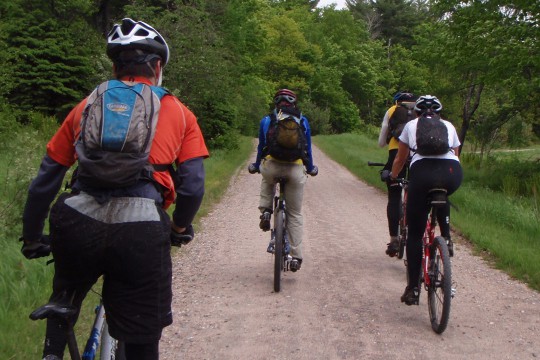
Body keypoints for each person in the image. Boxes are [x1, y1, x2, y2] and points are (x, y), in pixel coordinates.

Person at [19, 18, 209, 360]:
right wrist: (179, 227)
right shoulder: (180, 113)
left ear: (114, 67)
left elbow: (45, 180)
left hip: (77, 220)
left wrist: (32, 236)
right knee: (141, 339)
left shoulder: (85, 106)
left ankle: (53, 348)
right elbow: (193, 186)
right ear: (157, 66)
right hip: (141, 229)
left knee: (66, 298)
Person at [389, 95, 462, 305]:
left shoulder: (411, 126)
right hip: (451, 173)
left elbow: (400, 159)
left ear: (417, 113)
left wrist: (393, 177)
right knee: (442, 191)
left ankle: (413, 288)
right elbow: (455, 155)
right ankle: (446, 238)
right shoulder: (449, 125)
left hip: (421, 175)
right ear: (439, 113)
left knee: (415, 234)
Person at [248, 89, 318, 272]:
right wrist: (310, 168)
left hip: (273, 165)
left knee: (266, 176)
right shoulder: (302, 121)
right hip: (295, 169)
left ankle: (265, 211)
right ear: (294, 103)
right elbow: (307, 149)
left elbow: (261, 147)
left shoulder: (268, 120)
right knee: (294, 214)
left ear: (276, 103)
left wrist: (256, 165)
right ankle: (296, 256)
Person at [377, 92, 417, 256]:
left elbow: (381, 142)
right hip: (416, 155)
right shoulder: (421, 111)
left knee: (394, 196)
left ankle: (394, 240)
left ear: (398, 102)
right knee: (416, 196)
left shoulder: (392, 110)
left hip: (396, 154)